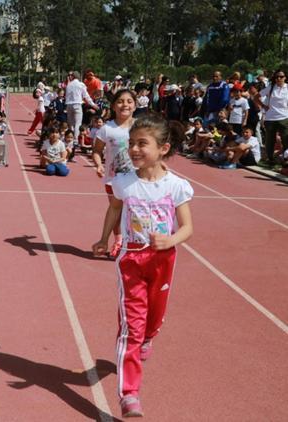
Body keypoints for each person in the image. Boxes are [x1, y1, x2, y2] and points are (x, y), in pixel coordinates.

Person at [92, 113, 194, 418]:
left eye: (142, 143)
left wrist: (171, 239)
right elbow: (114, 210)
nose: (134, 149)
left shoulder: (176, 186)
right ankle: (129, 393)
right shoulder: (124, 182)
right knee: (131, 328)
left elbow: (188, 227)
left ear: (162, 148)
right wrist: (103, 238)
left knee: (154, 317)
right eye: (131, 143)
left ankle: (149, 337)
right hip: (132, 260)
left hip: (163, 259)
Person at [92, 89, 136, 258]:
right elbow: (96, 151)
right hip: (114, 179)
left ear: (135, 105)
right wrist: (98, 165)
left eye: (129, 101)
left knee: (134, 212)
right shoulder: (106, 129)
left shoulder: (141, 127)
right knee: (116, 212)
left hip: (136, 179)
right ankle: (118, 240)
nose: (125, 104)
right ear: (113, 106)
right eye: (120, 101)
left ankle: (131, 242)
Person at [254, 68, 288, 164]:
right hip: (270, 118)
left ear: (285, 78)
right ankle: (270, 158)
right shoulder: (271, 87)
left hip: (284, 118)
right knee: (270, 140)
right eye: (277, 77)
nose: (279, 78)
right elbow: (256, 97)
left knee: (286, 138)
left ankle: (286, 159)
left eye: (281, 76)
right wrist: (264, 106)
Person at [65, 71, 98, 137]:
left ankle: (69, 138)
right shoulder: (81, 84)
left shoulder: (68, 85)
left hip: (68, 105)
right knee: (78, 123)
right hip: (77, 104)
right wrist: (93, 104)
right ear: (78, 77)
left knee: (71, 123)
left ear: (73, 77)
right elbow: (86, 96)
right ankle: (76, 139)